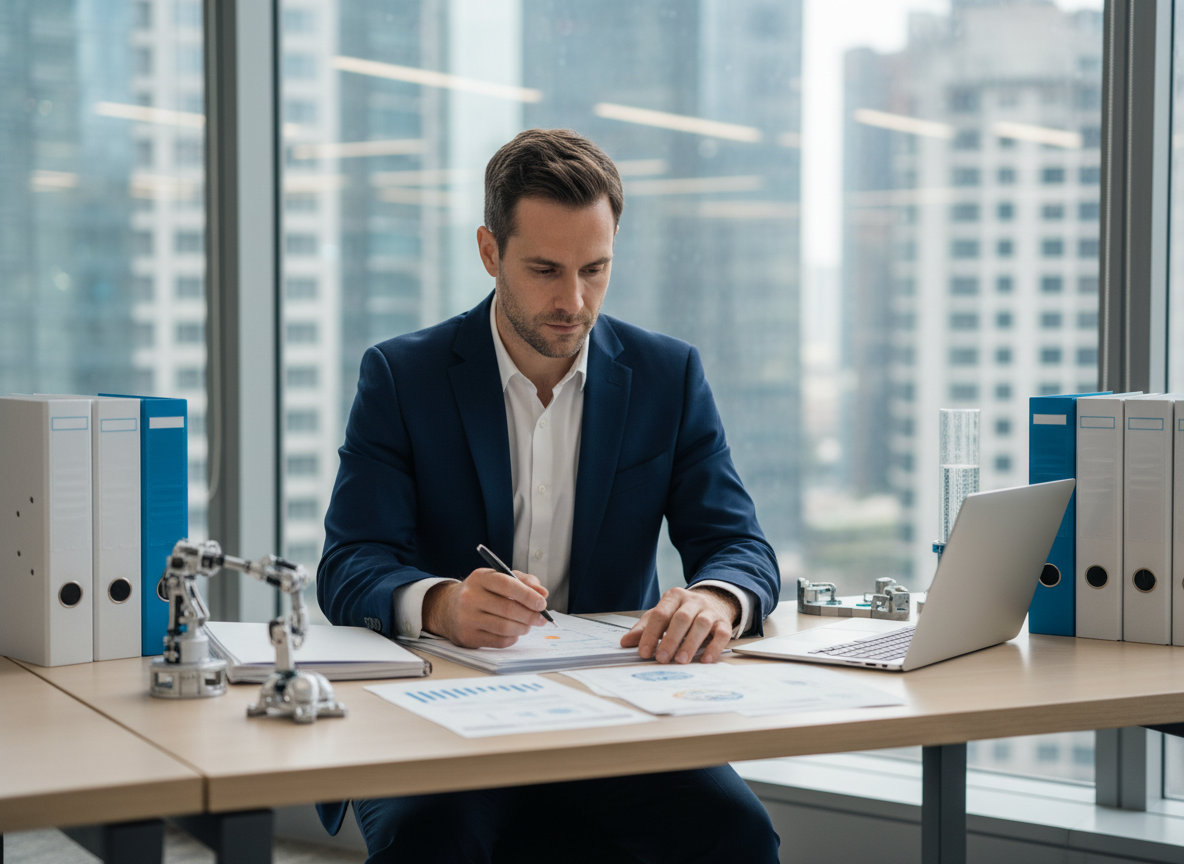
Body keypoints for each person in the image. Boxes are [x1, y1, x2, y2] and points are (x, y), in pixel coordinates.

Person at [316, 128, 781, 863]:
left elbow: (739, 545)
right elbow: (349, 565)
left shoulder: (667, 377)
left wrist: (716, 598)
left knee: (736, 833)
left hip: (614, 715)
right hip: (444, 712)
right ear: (489, 252)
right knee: (428, 840)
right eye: (545, 270)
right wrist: (441, 605)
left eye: (595, 270)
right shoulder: (403, 377)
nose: (574, 301)